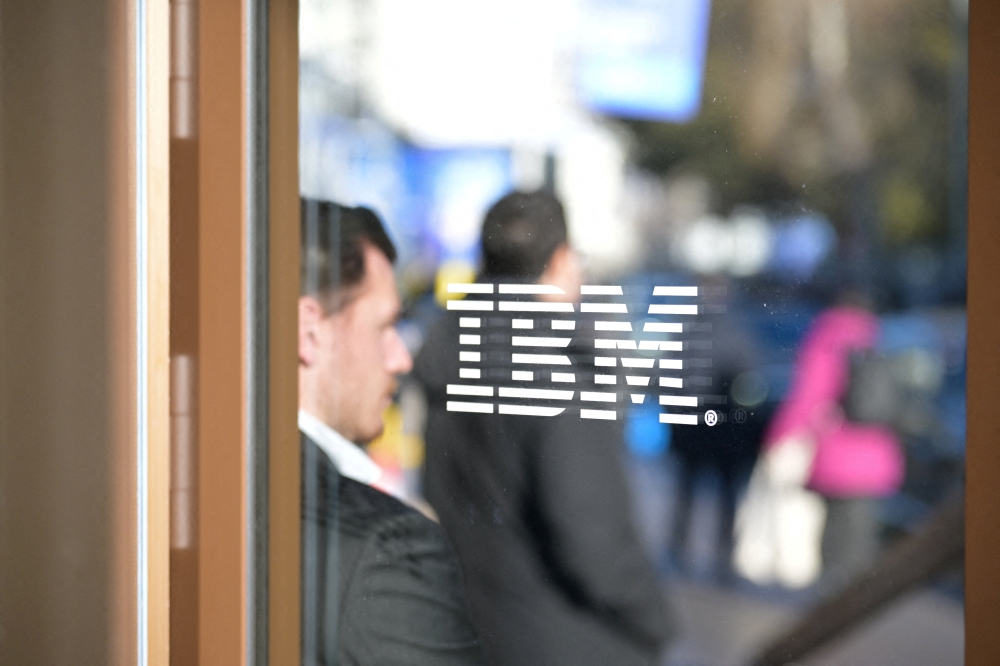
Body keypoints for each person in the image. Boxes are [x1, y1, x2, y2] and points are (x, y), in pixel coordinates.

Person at [414, 190, 674, 666]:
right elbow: (593, 538)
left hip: (474, 631)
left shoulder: (448, 357)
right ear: (559, 261)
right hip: (568, 641)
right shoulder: (555, 377)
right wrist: (655, 619)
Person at [298, 198, 484, 666]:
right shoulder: (385, 549)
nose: (401, 359)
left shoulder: (170, 491)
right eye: (384, 326)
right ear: (309, 330)